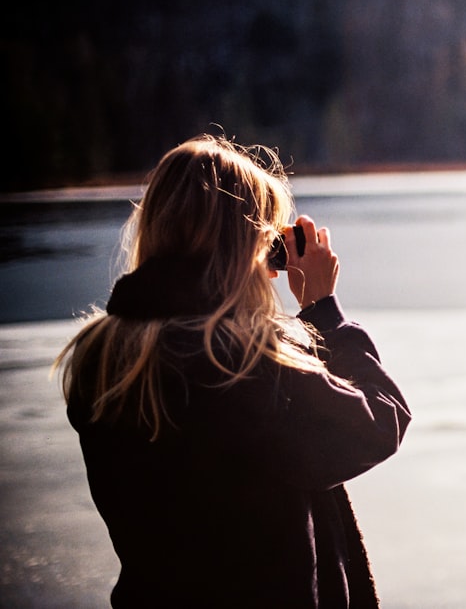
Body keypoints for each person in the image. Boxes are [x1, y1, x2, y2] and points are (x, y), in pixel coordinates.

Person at [55, 134, 411, 608]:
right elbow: (378, 423)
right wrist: (324, 312)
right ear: (242, 246)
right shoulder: (239, 366)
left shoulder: (104, 356)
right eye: (268, 246)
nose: (269, 272)